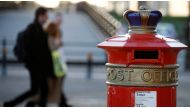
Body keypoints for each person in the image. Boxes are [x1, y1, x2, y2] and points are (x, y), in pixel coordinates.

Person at [3, 7, 54, 107]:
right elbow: (33, 49)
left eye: (47, 17)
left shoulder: (41, 29)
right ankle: (11, 103)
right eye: (45, 17)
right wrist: (33, 64)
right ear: (39, 16)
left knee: (43, 89)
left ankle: (13, 103)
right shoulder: (32, 29)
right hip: (35, 66)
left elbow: (45, 50)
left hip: (40, 66)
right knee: (36, 89)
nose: (46, 19)